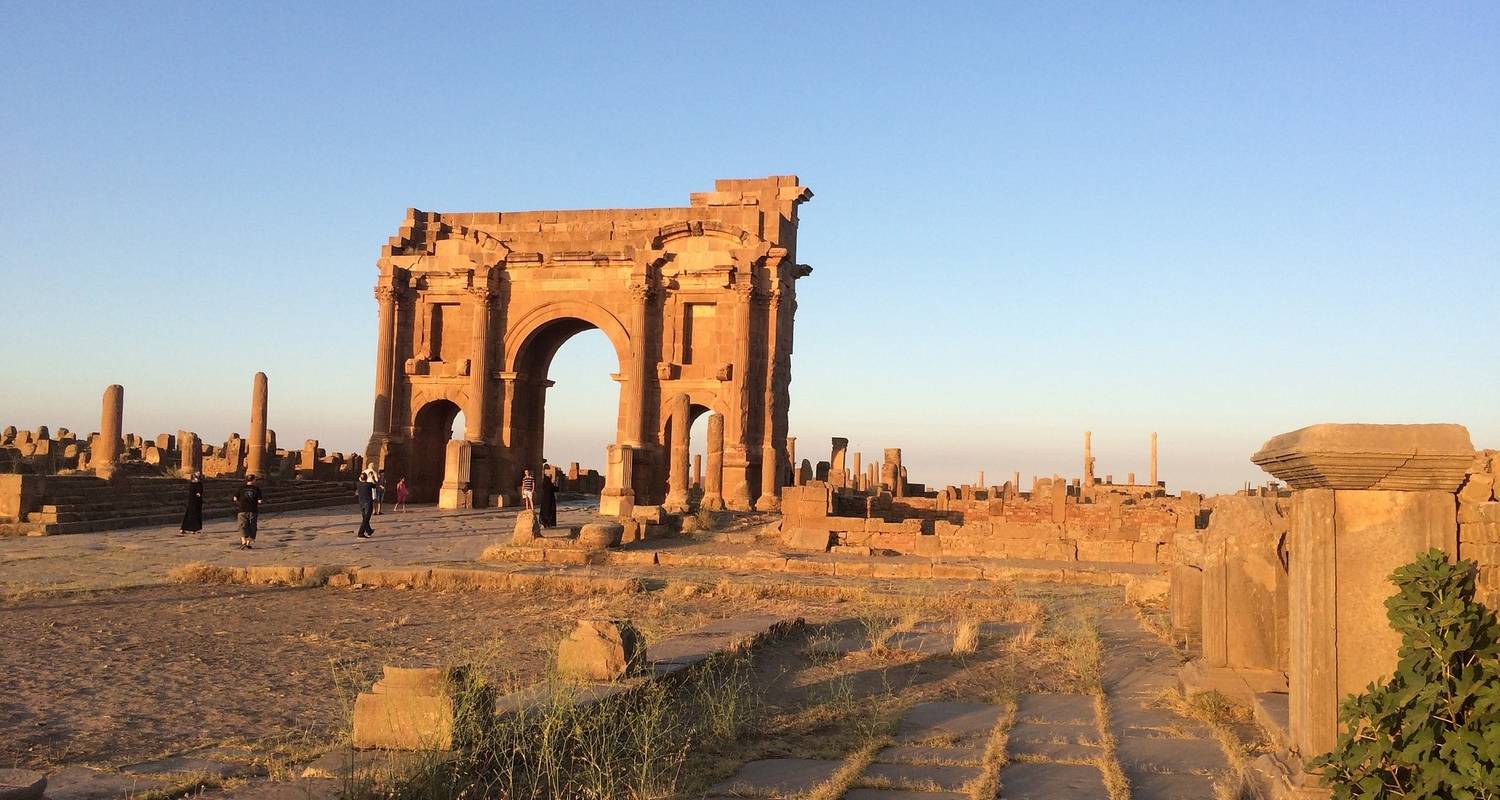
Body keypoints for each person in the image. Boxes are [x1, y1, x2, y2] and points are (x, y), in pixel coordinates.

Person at [233, 474, 263, 550]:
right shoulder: (256, 489)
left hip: (242, 509)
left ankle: (243, 542)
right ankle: (248, 543)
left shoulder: (241, 488)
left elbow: (235, 498)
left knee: (242, 525)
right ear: (253, 480)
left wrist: (240, 504)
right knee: (252, 526)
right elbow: (260, 501)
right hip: (253, 510)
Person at [356, 469, 376, 539]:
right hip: (368, 503)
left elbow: (360, 480)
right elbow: (375, 485)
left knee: (365, 518)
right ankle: (360, 533)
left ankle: (369, 531)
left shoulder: (358, 484)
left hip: (361, 503)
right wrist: (372, 478)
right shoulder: (369, 484)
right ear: (366, 478)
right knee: (366, 519)